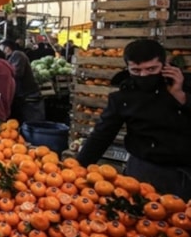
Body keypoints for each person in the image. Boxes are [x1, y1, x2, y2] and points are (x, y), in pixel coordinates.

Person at [77, 40, 191, 199]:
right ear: (128, 68)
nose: (144, 75)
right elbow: (102, 135)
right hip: (141, 169)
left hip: (182, 172)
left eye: (152, 69)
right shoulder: (123, 97)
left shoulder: (185, 86)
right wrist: (78, 168)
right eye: (136, 70)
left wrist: (180, 97)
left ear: (165, 65)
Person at [0, 39, 45, 124]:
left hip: (29, 95)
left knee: (31, 124)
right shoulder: (10, 58)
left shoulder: (18, 54)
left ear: (7, 48)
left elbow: (17, 73)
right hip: (22, 95)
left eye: (1, 49)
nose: (0, 52)